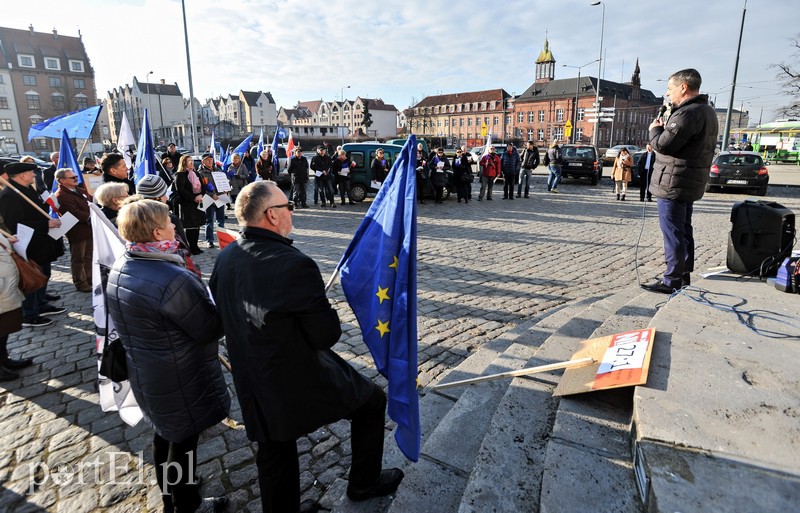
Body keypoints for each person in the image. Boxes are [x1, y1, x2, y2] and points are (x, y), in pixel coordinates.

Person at [209, 181, 404, 513]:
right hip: (296, 373)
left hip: (252, 373)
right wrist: (324, 311)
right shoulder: (293, 264)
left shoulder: (226, 257)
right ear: (272, 215)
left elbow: (221, 317)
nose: (292, 213)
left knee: (275, 446)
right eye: (289, 207)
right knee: (372, 402)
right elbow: (325, 336)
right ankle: (363, 482)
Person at [105, 199, 229, 513]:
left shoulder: (123, 264)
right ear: (158, 229)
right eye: (170, 221)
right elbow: (209, 328)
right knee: (184, 442)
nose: (175, 225)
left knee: (166, 436)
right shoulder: (172, 278)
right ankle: (187, 504)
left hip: (149, 371)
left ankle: (169, 494)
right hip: (180, 376)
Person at [642, 68, 718, 294]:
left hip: (674, 181)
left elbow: (665, 145)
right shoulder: (707, 111)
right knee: (684, 229)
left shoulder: (687, 114)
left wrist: (655, 130)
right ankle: (683, 274)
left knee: (673, 231)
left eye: (669, 88)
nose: (667, 94)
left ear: (683, 87)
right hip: (689, 180)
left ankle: (672, 279)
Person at [0, 162, 65, 328]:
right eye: (31, 172)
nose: (34, 175)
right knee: (33, 277)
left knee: (44, 274)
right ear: (22, 175)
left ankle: (41, 304)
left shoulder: (27, 189)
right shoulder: (9, 195)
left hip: (42, 242)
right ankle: (30, 313)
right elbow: (15, 223)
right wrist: (46, 225)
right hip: (30, 244)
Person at [54, 168, 93, 292]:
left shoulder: (78, 190)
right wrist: (90, 216)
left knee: (89, 256)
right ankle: (81, 283)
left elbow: (89, 203)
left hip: (88, 228)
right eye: (72, 177)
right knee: (78, 259)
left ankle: (90, 279)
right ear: (62, 180)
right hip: (77, 231)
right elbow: (73, 213)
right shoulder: (61, 195)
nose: (76, 178)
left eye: (75, 176)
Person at [0, 230, 28, 382]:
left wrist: (7, 242)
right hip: (2, 288)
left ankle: (4, 360)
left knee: (4, 328)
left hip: (6, 289)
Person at [174, 154, 206, 255]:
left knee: (197, 225)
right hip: (188, 204)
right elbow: (181, 190)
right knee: (191, 226)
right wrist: (193, 198)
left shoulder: (196, 173)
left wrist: (201, 195)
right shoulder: (180, 175)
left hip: (199, 202)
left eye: (192, 161)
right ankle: (191, 247)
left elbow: (203, 186)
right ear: (184, 163)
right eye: (189, 161)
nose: (192, 163)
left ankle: (196, 246)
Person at [197, 153, 228, 248]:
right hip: (208, 198)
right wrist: (211, 195)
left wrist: (226, 189)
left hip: (220, 197)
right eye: (207, 159)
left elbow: (224, 182)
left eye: (211, 159)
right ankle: (209, 240)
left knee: (221, 220)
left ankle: (222, 239)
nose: (210, 161)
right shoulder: (200, 173)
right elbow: (200, 188)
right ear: (203, 161)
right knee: (209, 221)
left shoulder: (218, 170)